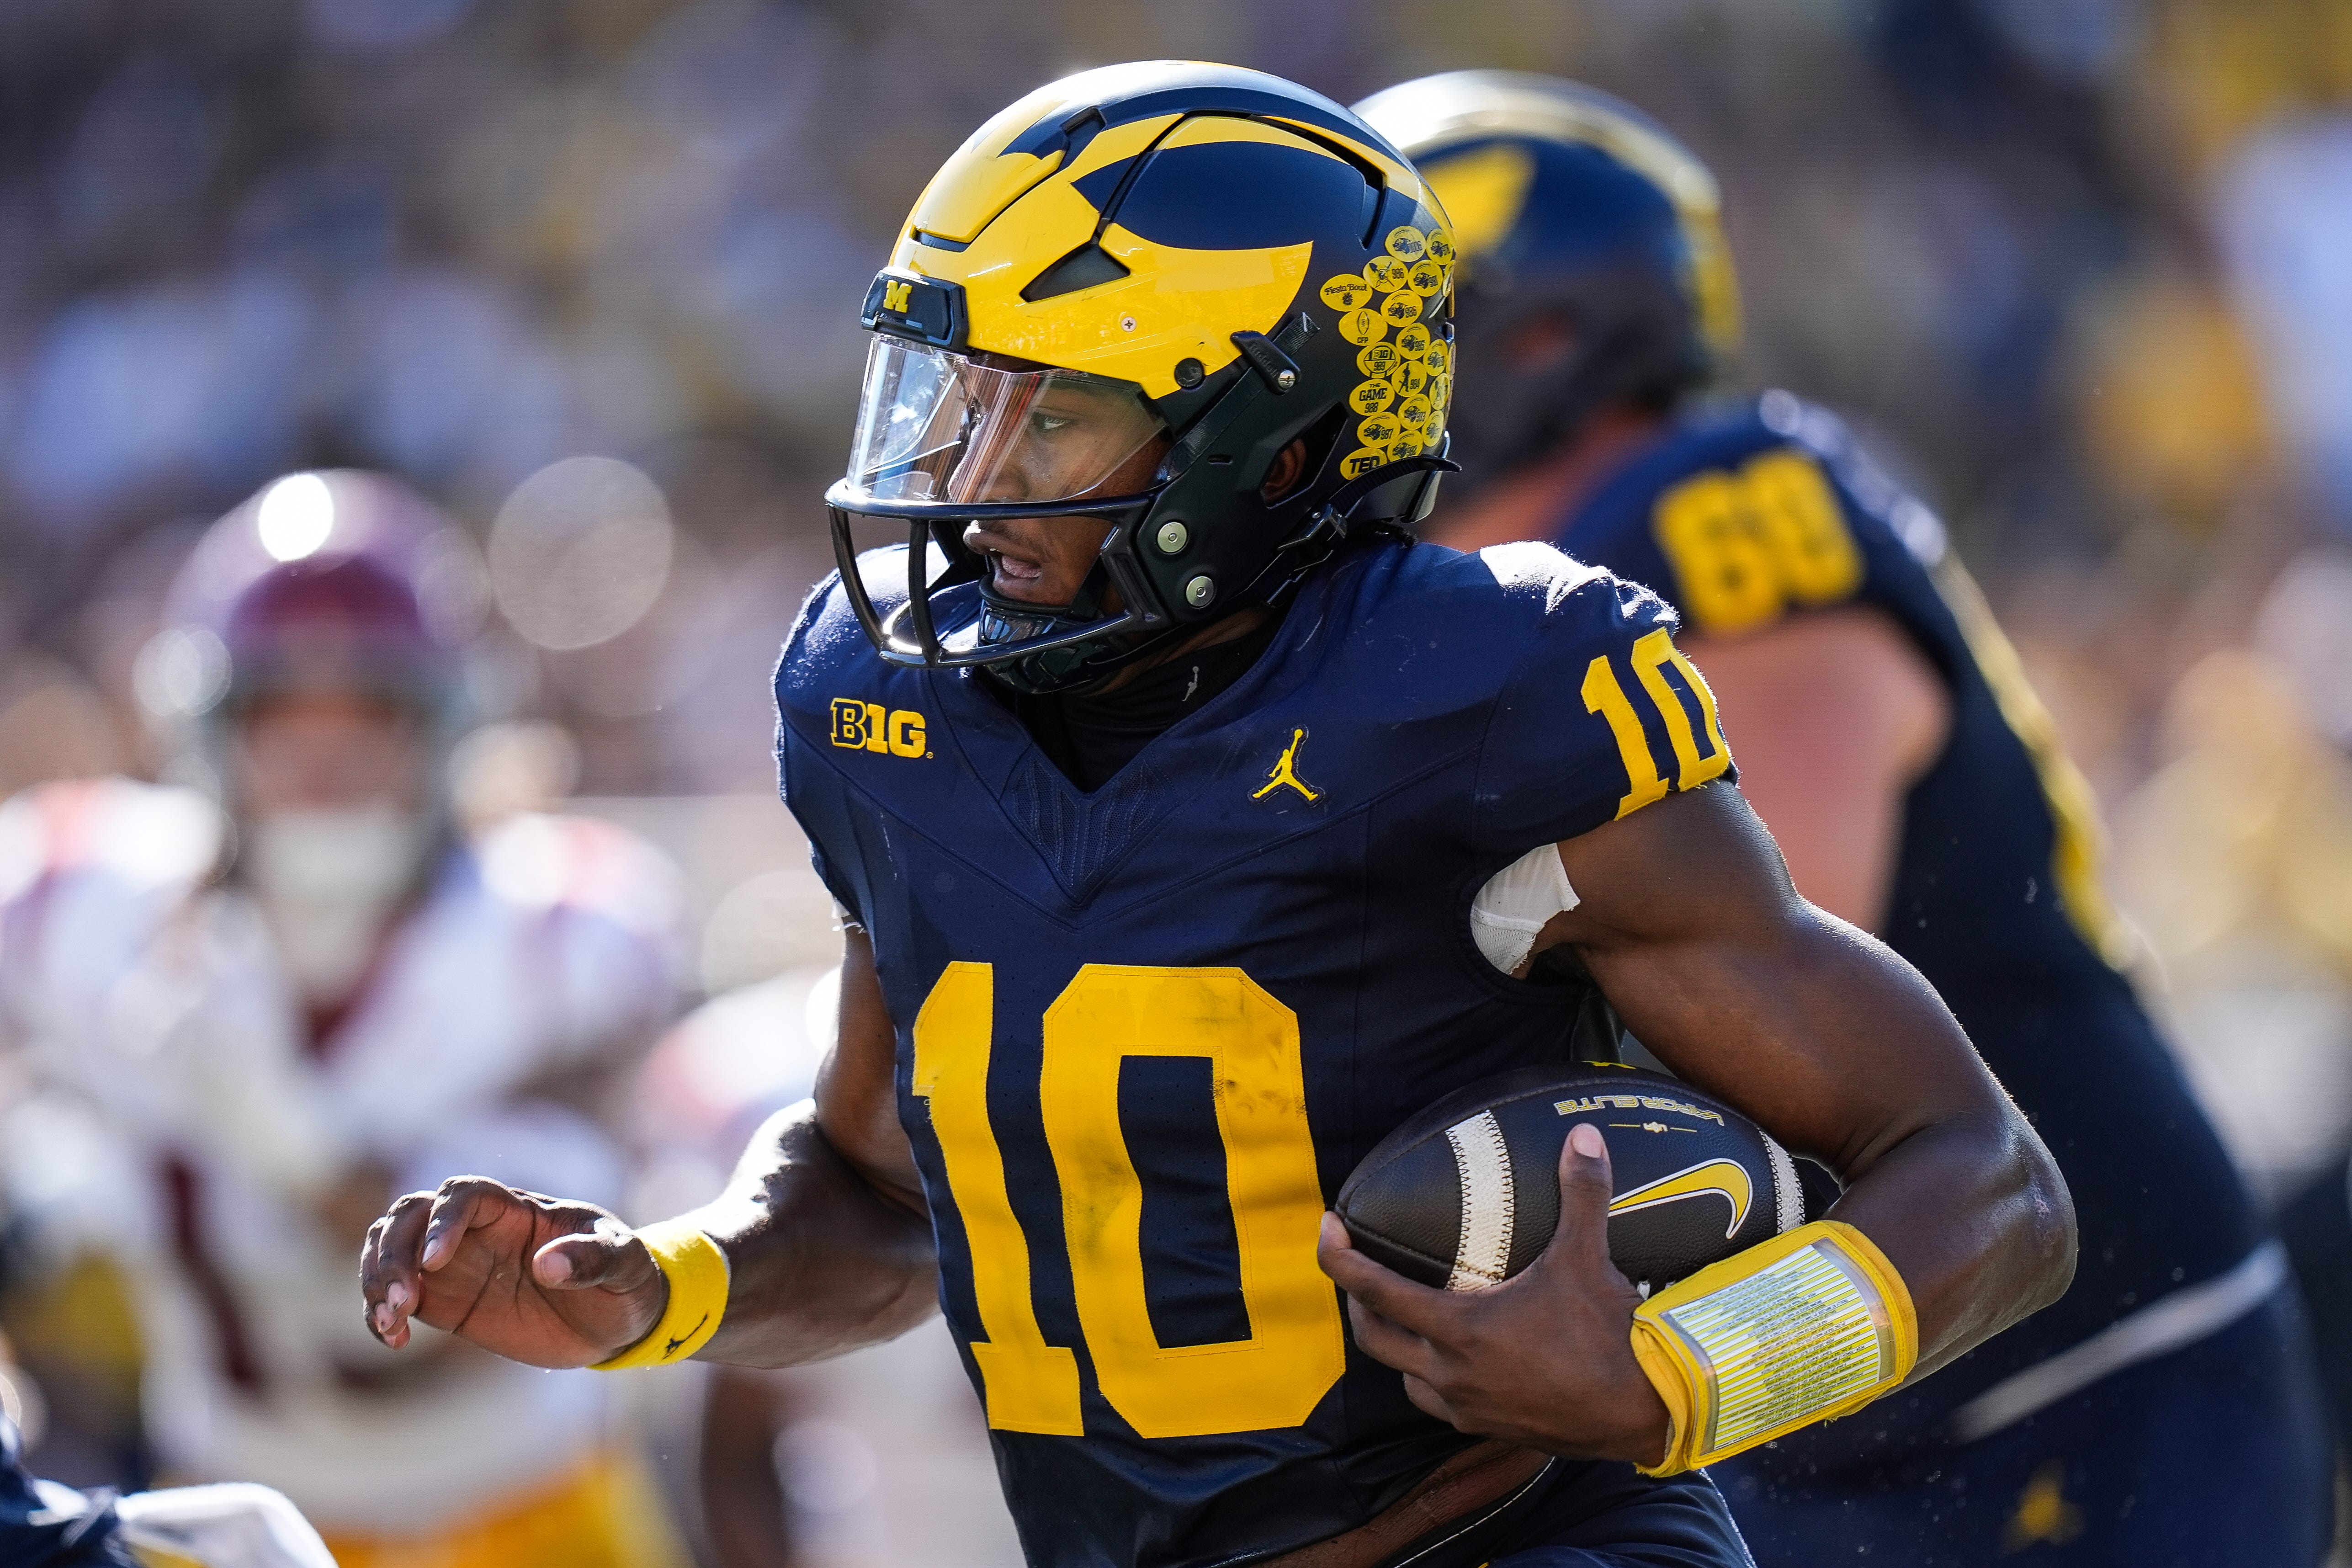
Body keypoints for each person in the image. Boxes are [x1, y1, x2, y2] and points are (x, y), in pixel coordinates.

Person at [361, 62, 2074, 1568]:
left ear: (1267, 440)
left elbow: (1985, 1187)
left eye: (1056, 418)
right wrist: (657, 1287)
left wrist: (1687, 1377)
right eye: (959, 402)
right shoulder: (881, 703)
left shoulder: (1485, 684)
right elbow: (894, 1198)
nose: (969, 480)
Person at [1352, 69, 2331, 1565]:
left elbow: (1756, 975)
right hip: (1837, 1407)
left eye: (1367, 340)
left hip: (2064, 1375)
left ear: (1527, 331)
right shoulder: (1503, 611)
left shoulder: (1708, 505)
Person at [0, 471, 691, 1566]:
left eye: (371, 712)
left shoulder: (555, 932)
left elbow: (504, 1303)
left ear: (449, 728)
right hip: (228, 1511)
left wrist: (285, 1135)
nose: (326, 760)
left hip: (529, 1510)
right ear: (209, 729)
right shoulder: (81, 900)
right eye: (283, 714)